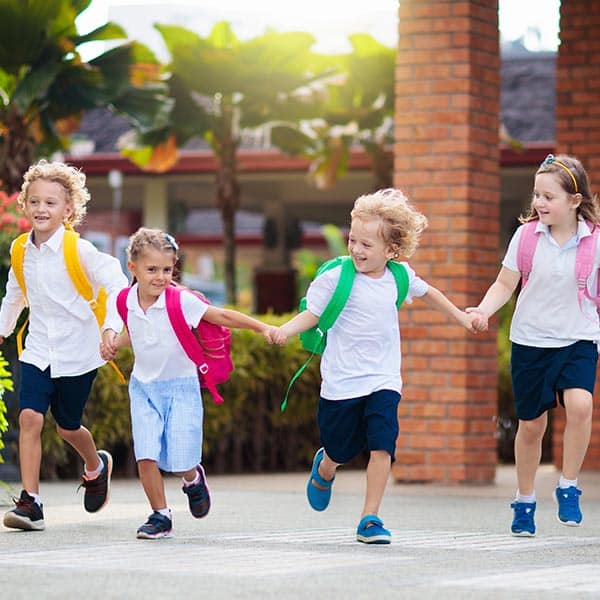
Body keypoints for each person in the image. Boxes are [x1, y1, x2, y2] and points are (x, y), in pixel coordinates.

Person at [272, 188, 480, 544]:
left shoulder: (398, 276)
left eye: (367, 245)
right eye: (353, 240)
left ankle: (370, 518)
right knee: (341, 448)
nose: (356, 249)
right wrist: (284, 331)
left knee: (383, 445)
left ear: (391, 251)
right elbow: (312, 314)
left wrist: (461, 317)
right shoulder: (336, 277)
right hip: (341, 382)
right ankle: (326, 465)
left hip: (383, 380)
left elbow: (429, 293)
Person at [100, 227, 280, 539]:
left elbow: (222, 316)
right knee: (146, 455)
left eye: (167, 270)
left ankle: (193, 479)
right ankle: (160, 515)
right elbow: (130, 332)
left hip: (181, 389)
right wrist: (111, 342)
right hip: (143, 389)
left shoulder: (181, 301)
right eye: (152, 269)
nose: (160, 277)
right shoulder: (124, 300)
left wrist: (262, 327)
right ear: (133, 268)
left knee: (182, 461)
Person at [467, 154, 600, 537]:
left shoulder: (593, 240)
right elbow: (505, 284)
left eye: (548, 196)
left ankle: (568, 486)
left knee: (581, 405)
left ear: (574, 201)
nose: (539, 203)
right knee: (531, 426)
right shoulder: (526, 237)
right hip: (530, 341)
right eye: (536, 195)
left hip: (578, 337)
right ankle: (525, 499)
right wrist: (484, 310)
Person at [0, 159, 128, 531]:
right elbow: (13, 297)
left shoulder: (80, 251)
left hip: (79, 352)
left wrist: (109, 329)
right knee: (29, 418)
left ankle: (95, 466)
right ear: (24, 205)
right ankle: (31, 502)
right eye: (35, 201)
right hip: (38, 349)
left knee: (68, 427)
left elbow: (116, 285)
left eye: (51, 203)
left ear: (68, 210)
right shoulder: (20, 251)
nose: (42, 209)